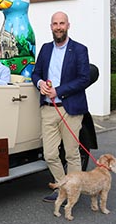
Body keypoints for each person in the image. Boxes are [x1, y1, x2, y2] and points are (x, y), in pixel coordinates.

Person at [31, 11, 90, 202]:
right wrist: (39, 83)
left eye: (61, 23)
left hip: (69, 109)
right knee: (49, 154)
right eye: (55, 24)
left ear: (68, 25)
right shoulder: (46, 49)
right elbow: (36, 73)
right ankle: (63, 185)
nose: (58, 27)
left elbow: (84, 79)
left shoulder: (79, 50)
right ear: (51, 27)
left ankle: (72, 191)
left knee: (72, 154)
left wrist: (59, 91)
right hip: (48, 109)